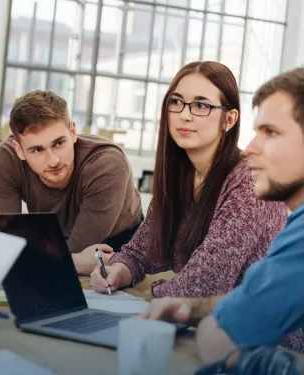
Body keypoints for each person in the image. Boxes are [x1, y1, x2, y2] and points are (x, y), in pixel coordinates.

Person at [139, 66, 304, 361]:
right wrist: (195, 308)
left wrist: (200, 316)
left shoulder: (250, 185)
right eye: (175, 103)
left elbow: (221, 336)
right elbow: (253, 301)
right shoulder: (297, 229)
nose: (251, 148)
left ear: (228, 119)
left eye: (271, 133)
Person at [91, 61, 287, 298]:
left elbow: (204, 285)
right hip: (202, 323)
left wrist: (151, 293)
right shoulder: (182, 176)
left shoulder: (249, 180)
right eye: (176, 102)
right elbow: (139, 253)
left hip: (258, 330)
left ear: (230, 120)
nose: (184, 115)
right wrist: (117, 272)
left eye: (201, 105)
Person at [0, 90, 143, 275]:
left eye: (59, 143)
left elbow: (80, 247)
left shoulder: (107, 163)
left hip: (117, 242)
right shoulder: (9, 158)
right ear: (19, 150)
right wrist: (75, 262)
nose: (53, 161)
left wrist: (69, 259)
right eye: (37, 150)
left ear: (73, 132)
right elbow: (0, 243)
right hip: (51, 239)